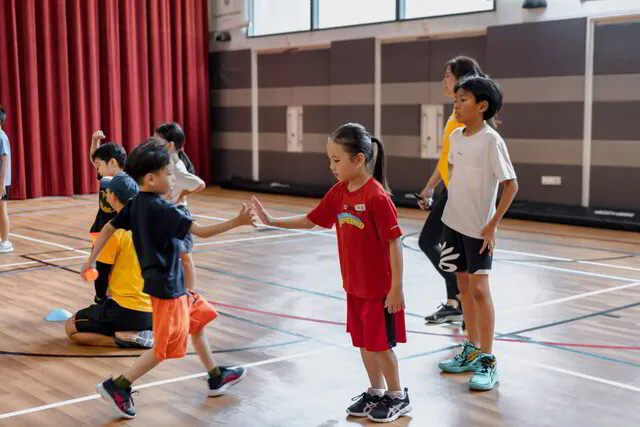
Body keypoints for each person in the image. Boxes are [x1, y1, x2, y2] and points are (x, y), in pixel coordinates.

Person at [81, 138, 256, 419]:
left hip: (165, 285)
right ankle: (119, 386)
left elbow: (109, 227)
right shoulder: (163, 209)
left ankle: (215, 375)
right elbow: (200, 232)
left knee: (197, 320)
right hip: (168, 289)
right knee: (164, 348)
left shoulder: (136, 203)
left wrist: (90, 260)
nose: (174, 179)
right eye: (170, 174)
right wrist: (238, 221)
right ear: (151, 178)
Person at [251, 123, 411, 423]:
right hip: (354, 287)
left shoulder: (377, 197)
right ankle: (376, 391)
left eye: (337, 160)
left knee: (380, 345)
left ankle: (397, 395)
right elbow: (312, 220)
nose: (332, 166)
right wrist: (273, 221)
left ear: (360, 159)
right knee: (364, 343)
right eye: (330, 160)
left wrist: (397, 288)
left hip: (380, 290)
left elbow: (394, 243)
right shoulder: (339, 193)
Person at [437, 76, 518, 391]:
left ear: (482, 106)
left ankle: (487, 359)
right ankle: (471, 347)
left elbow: (511, 184)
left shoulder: (491, 140)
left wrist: (492, 223)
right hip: (453, 222)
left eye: (463, 100)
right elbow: (455, 173)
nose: (456, 105)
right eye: (455, 99)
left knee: (481, 289)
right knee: (463, 287)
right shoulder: (457, 136)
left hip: (478, 229)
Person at [419, 56, 487, 326]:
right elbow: (446, 159)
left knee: (428, 241)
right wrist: (430, 186)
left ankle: (463, 294)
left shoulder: (465, 118)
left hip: (459, 193)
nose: (443, 81)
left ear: (460, 78)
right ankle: (454, 303)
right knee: (448, 249)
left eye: (447, 75)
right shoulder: (454, 116)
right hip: (449, 188)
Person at [66, 173, 153, 349]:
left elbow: (102, 273)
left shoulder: (115, 231)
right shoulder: (150, 224)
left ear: (113, 197)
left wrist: (99, 297)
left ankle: (125, 339)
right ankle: (144, 332)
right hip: (154, 310)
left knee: (71, 328)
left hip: (125, 308)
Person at [153, 122, 205, 291]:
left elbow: (200, 184)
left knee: (185, 256)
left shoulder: (178, 169)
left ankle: (191, 296)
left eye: (157, 141)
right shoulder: (167, 163)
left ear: (170, 145)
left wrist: (182, 195)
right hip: (167, 213)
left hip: (179, 214)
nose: (153, 144)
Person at [89, 131, 127, 303]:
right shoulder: (105, 176)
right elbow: (94, 158)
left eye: (99, 165)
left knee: (117, 267)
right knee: (102, 268)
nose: (97, 169)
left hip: (117, 233)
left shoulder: (126, 183)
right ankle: (100, 298)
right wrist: (94, 140)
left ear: (112, 163)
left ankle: (115, 298)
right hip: (100, 229)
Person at [0, 106, 13, 253]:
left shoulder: (1, 137)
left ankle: (5, 242)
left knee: (2, 209)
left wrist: (1, 183)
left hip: (1, 182)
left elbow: (5, 159)